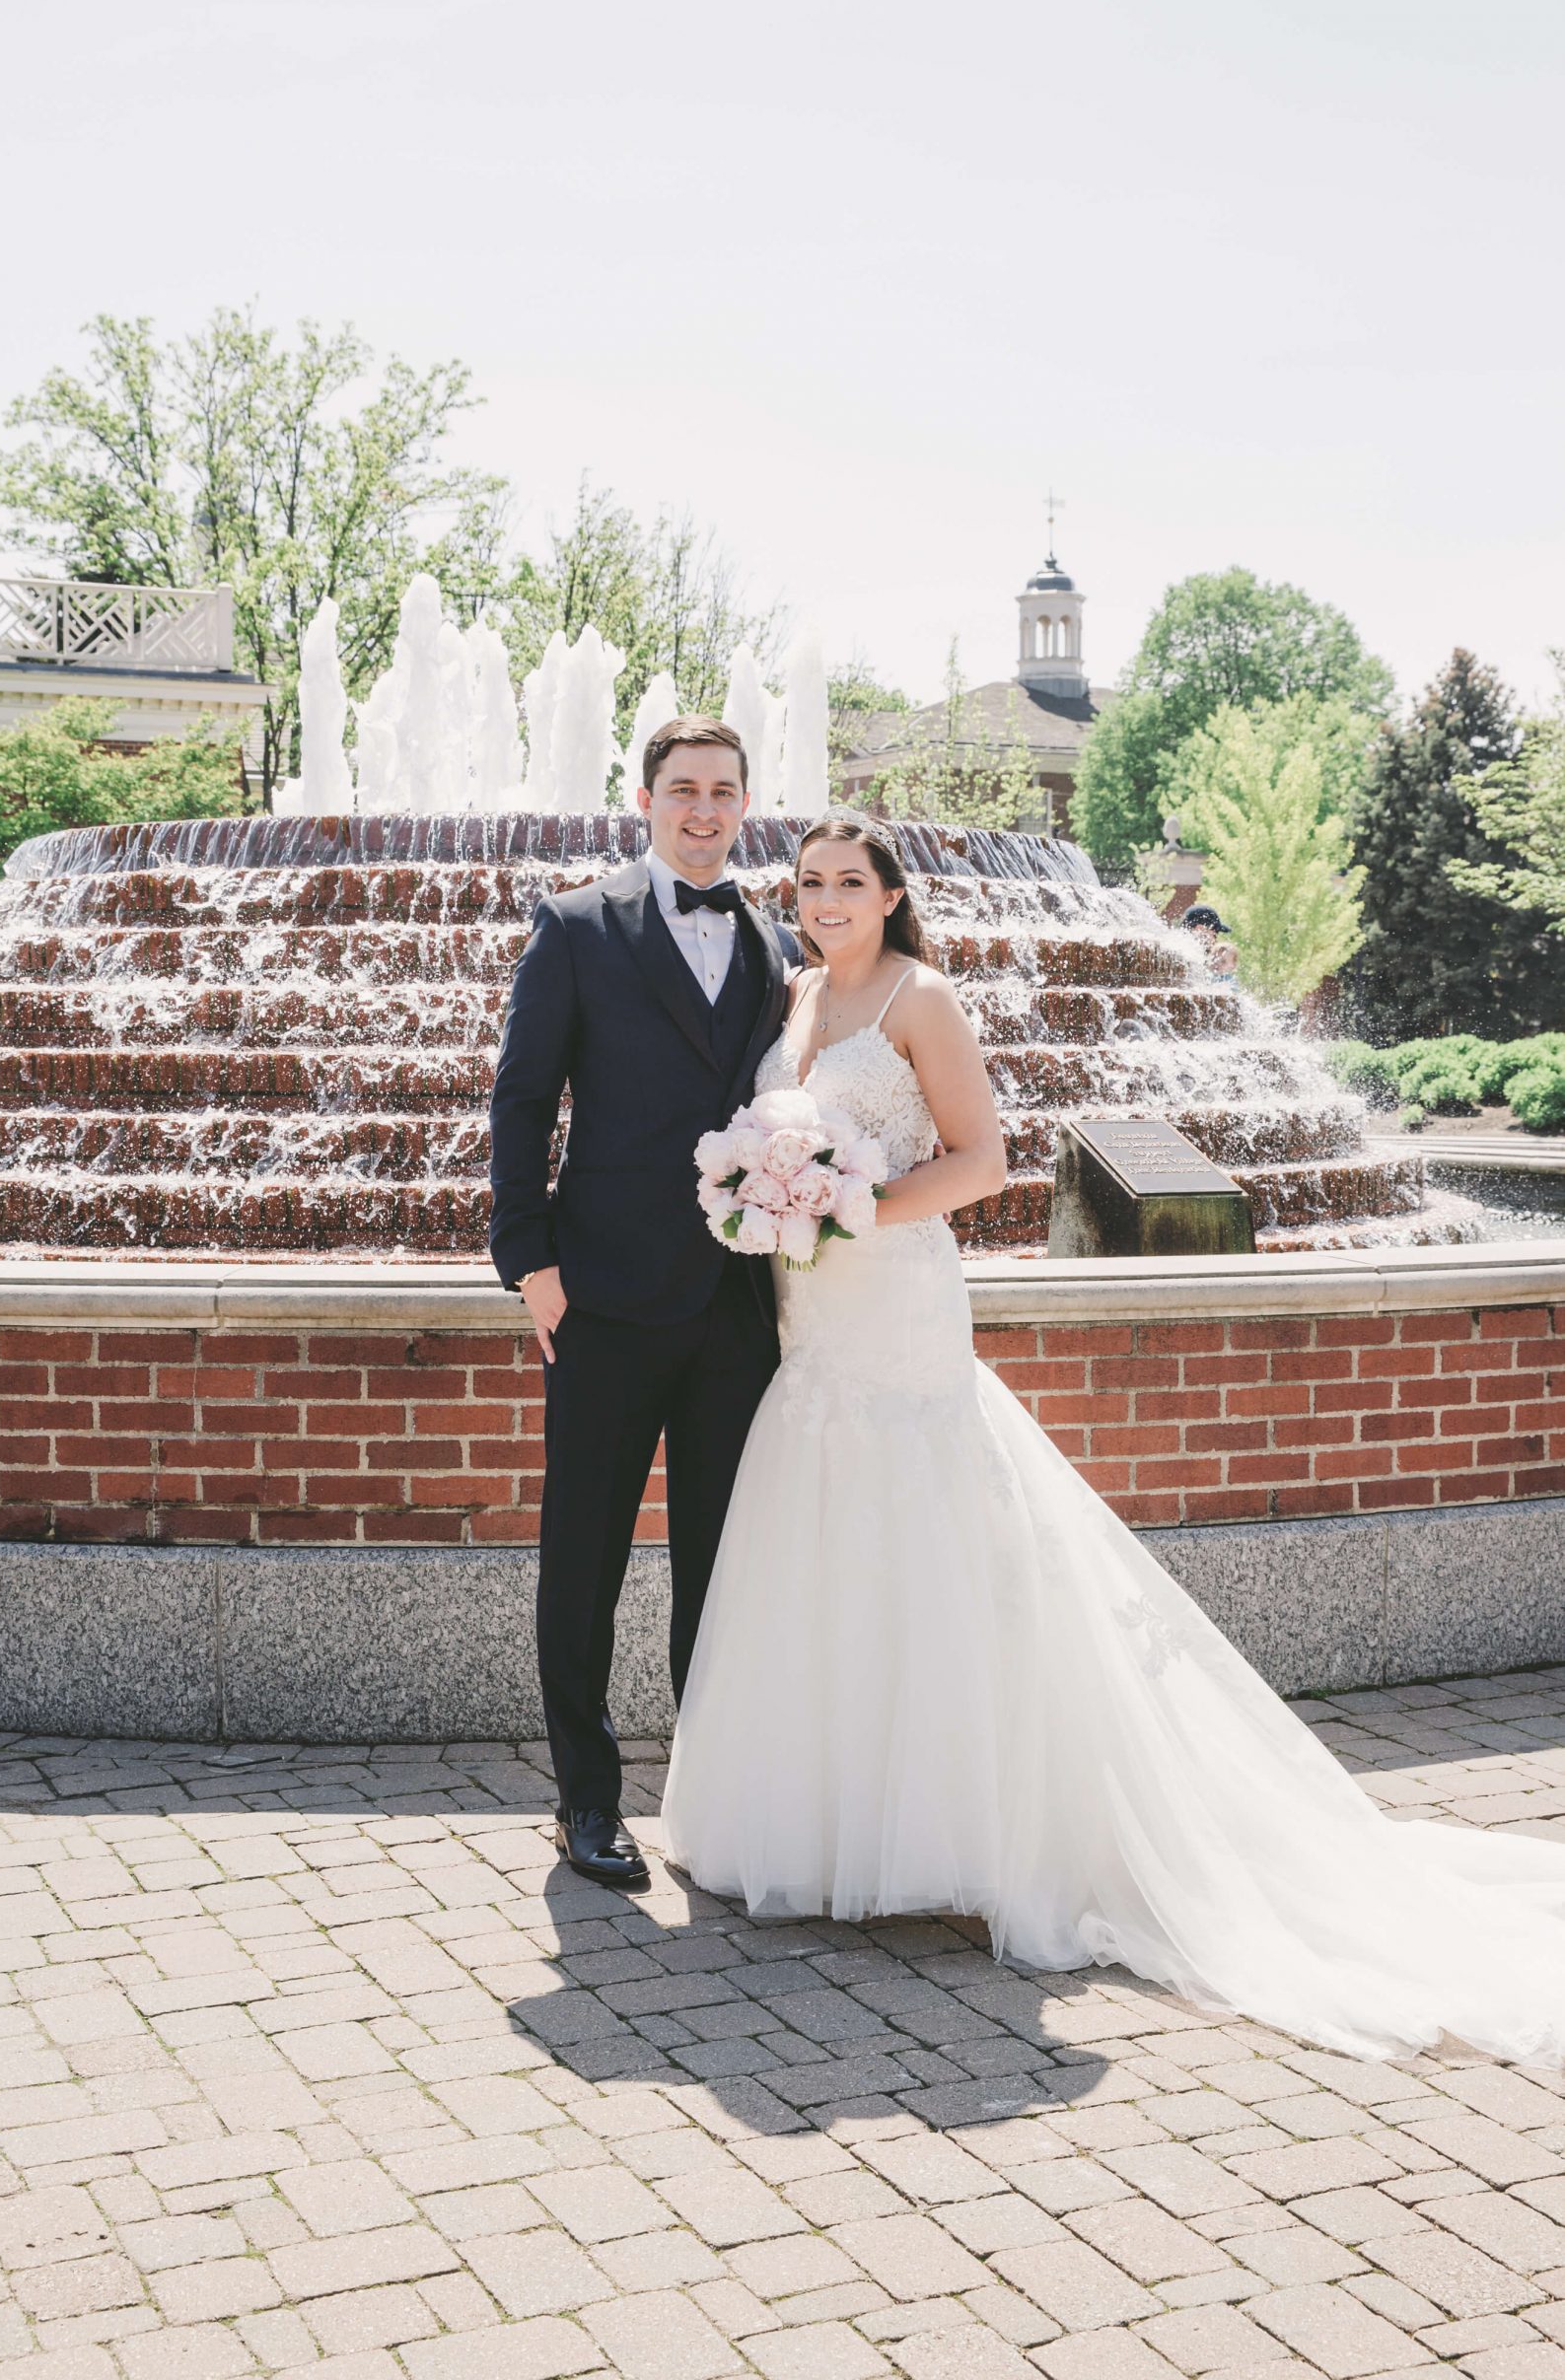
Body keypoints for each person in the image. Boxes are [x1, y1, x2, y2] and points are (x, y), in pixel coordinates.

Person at [663, 813, 1565, 2065]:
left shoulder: (922, 997)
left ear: (889, 893)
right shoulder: (803, 989)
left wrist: (850, 1205)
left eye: (848, 883)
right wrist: (767, 1194)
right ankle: (822, 1825)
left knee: (925, 1542)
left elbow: (985, 1163)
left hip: (897, 1296)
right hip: (813, 1310)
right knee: (826, 1539)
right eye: (811, 882)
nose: (825, 899)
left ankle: (959, 1833)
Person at [489, 718, 801, 1892]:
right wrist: (531, 1263)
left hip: (734, 1307)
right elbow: (521, 1101)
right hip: (604, 1298)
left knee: (720, 1565)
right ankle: (586, 1800)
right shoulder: (577, 926)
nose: (706, 810)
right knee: (586, 1559)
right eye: (685, 790)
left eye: (725, 791)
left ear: (746, 801)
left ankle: (706, 1799)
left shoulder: (777, 941)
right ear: (645, 798)